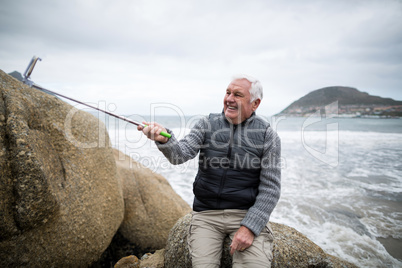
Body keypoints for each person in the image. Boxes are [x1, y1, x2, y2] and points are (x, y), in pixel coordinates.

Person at [138, 75, 281, 268]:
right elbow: (180, 154)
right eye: (228, 92)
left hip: (245, 214)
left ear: (255, 104)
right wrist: (164, 139)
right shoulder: (206, 124)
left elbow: (270, 189)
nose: (229, 99)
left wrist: (250, 227)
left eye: (237, 95)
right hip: (206, 215)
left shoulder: (267, 135)